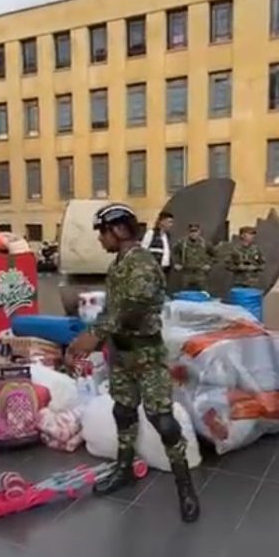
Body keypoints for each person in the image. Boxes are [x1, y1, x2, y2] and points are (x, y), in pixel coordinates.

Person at [66, 203, 200, 523]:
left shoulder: (141, 265)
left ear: (120, 230)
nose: (100, 239)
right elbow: (114, 307)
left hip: (145, 355)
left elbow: (133, 309)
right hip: (122, 352)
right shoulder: (119, 264)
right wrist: (93, 331)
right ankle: (124, 468)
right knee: (123, 410)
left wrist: (93, 336)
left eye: (102, 231)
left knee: (163, 421)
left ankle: (186, 488)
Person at [171, 223, 213, 292]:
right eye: (191, 231)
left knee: (203, 293)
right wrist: (176, 263)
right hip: (186, 273)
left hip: (200, 273)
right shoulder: (182, 243)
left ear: (199, 232)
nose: (193, 234)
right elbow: (173, 252)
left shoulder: (205, 243)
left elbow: (215, 254)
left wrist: (209, 264)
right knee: (184, 293)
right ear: (188, 232)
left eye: (195, 231)